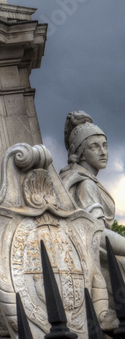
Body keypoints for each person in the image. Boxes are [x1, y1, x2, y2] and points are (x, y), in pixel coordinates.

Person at [59, 111, 125, 261]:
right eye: (95, 147)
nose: (103, 152)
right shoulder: (85, 183)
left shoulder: (83, 179)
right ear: (80, 153)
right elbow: (97, 234)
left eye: (105, 146)